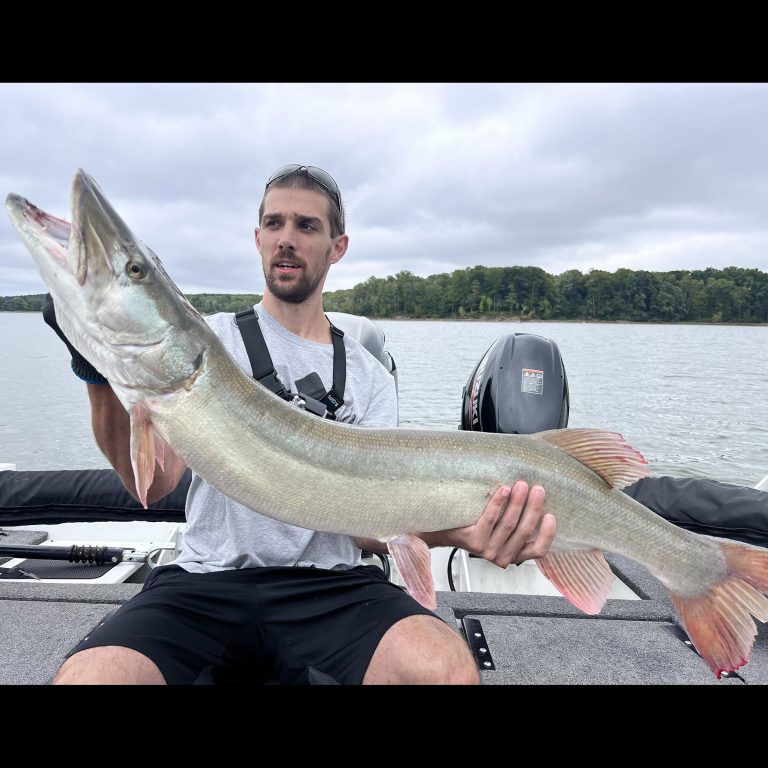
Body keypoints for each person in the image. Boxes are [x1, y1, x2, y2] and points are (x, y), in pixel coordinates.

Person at [49, 164, 556, 685]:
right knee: (93, 676)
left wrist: (468, 532)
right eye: (274, 224)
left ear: (338, 246)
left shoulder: (369, 375)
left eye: (306, 226)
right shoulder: (206, 341)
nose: (286, 239)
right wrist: (97, 371)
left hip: (332, 586)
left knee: (444, 670)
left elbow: (371, 524)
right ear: (258, 237)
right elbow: (152, 485)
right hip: (206, 582)